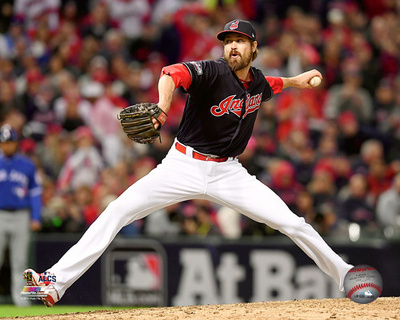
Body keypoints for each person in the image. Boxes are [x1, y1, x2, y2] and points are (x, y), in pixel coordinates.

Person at [23, 19, 353, 307]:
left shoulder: (258, 82)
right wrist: (163, 106)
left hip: (228, 172)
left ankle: (347, 276)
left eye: (239, 41)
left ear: (254, 47)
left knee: (293, 223)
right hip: (182, 166)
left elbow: (270, 86)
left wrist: (297, 81)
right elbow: (172, 73)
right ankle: (53, 283)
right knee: (117, 211)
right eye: (228, 41)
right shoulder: (212, 71)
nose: (232, 47)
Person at [0, 125, 42, 306]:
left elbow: (36, 192)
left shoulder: (27, 164)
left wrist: (36, 216)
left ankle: (23, 304)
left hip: (21, 215)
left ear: (16, 143)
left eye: (9, 142)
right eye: (4, 143)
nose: (7, 146)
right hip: (0, 214)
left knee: (20, 262)